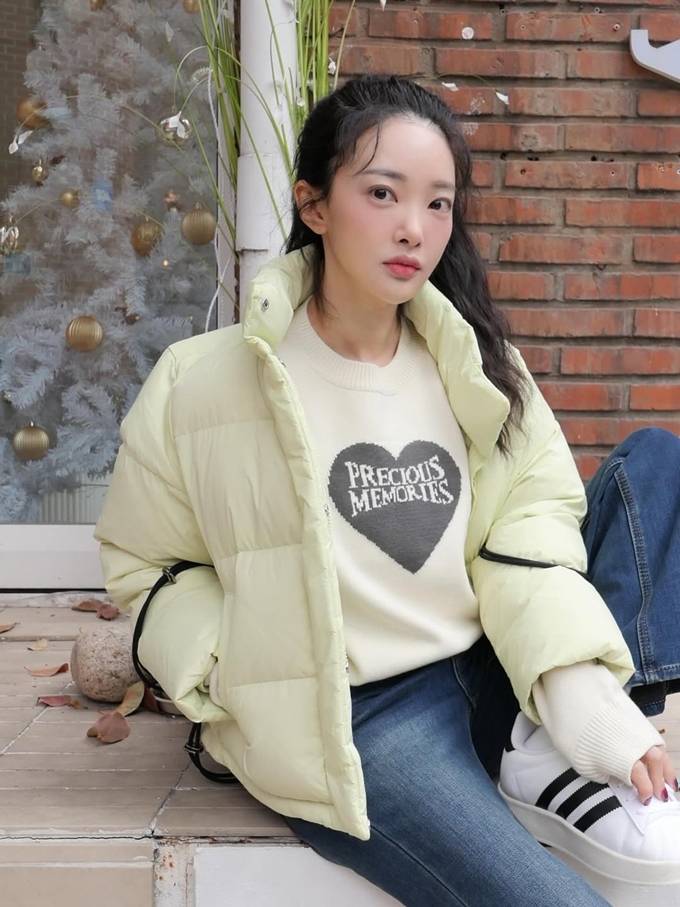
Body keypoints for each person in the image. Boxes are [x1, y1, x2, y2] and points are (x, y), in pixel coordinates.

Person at [94, 74, 680, 906]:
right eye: (382, 193)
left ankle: (542, 739)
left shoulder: (482, 368)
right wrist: (237, 675)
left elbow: (531, 543)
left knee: (656, 460)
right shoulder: (202, 380)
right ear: (314, 205)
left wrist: (580, 698)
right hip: (363, 719)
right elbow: (149, 562)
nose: (415, 228)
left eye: (438, 204)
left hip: (490, 662)